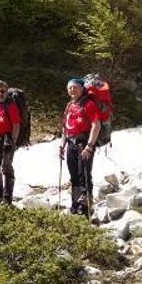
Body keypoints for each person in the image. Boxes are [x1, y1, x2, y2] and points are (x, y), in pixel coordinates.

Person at [59, 78, 101, 217]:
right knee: (74, 176)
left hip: (84, 144)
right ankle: (75, 204)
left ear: (82, 88)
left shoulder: (88, 104)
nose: (72, 90)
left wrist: (89, 146)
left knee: (84, 175)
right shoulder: (69, 105)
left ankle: (86, 208)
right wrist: (62, 144)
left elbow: (96, 125)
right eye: (70, 88)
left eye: (75, 87)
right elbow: (66, 127)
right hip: (71, 144)